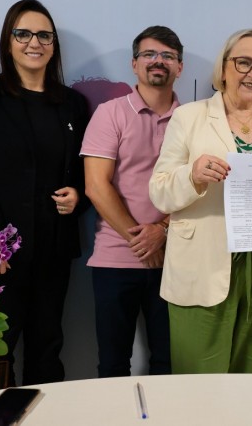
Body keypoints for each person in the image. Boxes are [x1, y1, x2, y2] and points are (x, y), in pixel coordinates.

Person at [149, 28, 252, 374]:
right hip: (203, 266)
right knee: (199, 389)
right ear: (223, 68)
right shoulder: (189, 117)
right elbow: (159, 191)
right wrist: (192, 176)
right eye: (244, 62)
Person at [0, 0, 90, 386]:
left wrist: (78, 196)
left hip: (53, 247)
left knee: (48, 345)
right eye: (24, 33)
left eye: (44, 35)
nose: (35, 42)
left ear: (54, 44)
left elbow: (85, 173)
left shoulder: (73, 104)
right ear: (8, 41)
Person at [80, 26, 183, 377]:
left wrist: (163, 232)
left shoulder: (194, 120)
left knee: (169, 364)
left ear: (180, 68)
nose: (159, 61)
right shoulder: (110, 113)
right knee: (112, 364)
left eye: (168, 56)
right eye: (150, 54)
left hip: (176, 259)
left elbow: (200, 188)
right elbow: (96, 186)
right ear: (134, 64)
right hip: (115, 259)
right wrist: (143, 240)